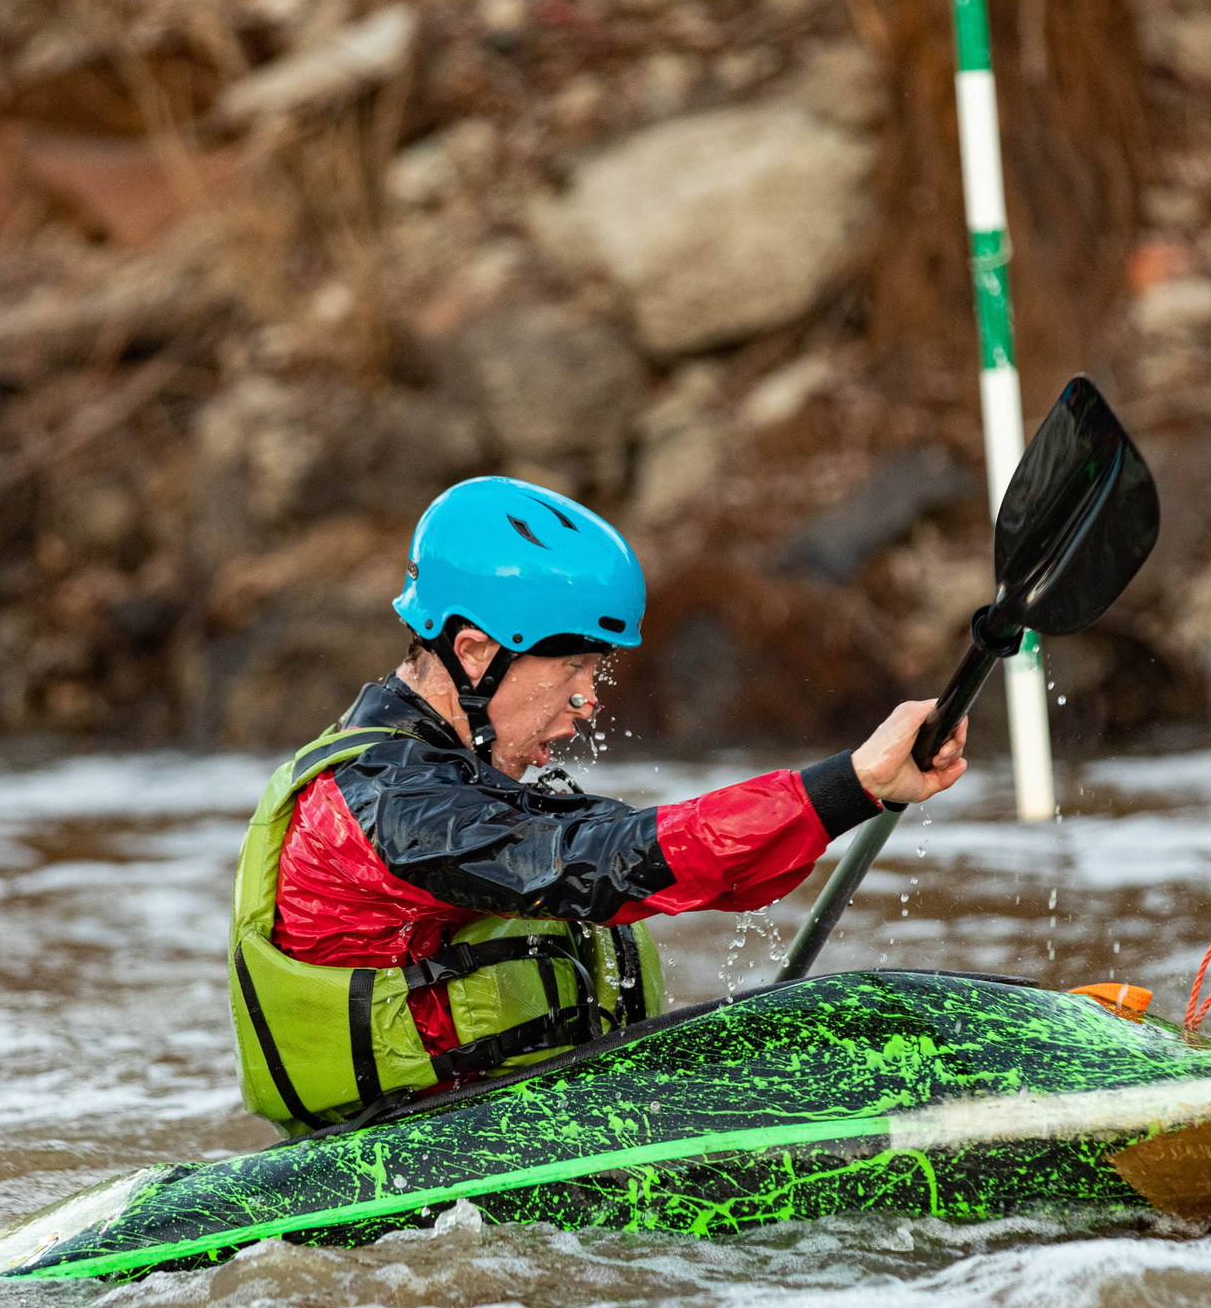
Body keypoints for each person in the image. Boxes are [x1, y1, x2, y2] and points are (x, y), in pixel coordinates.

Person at [226, 475, 969, 1133]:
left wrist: (853, 796)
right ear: (478, 652)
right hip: (402, 1155)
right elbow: (605, 867)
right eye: (573, 666)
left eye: (596, 667)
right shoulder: (389, 805)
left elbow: (684, 863)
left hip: (497, 1125)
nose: (587, 699)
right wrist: (848, 782)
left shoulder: (463, 774)